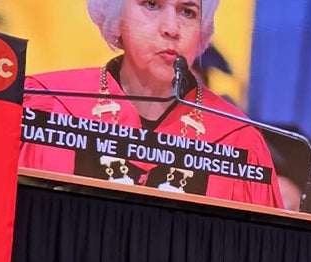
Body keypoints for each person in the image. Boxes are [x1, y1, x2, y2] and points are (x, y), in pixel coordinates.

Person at [19, 0, 284, 209]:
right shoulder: (49, 107)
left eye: (187, 12)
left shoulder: (237, 142)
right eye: (151, 4)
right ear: (116, 17)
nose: (171, 28)